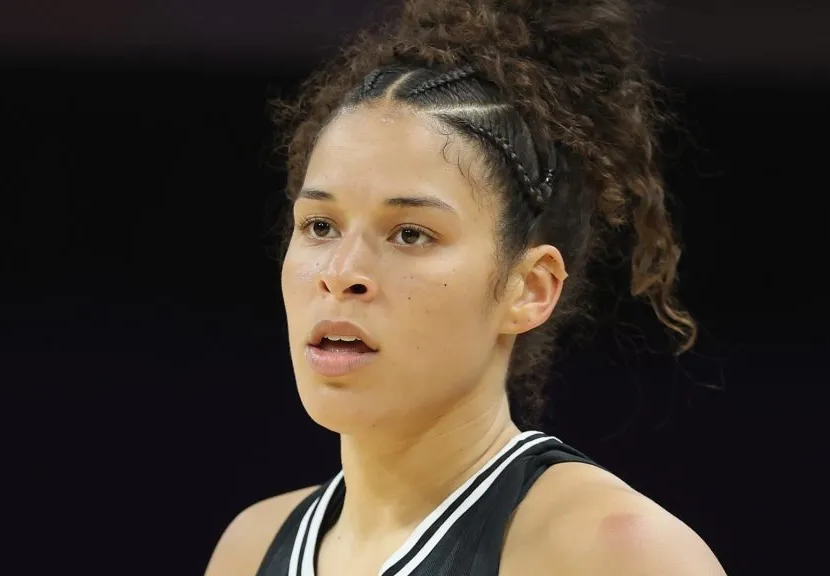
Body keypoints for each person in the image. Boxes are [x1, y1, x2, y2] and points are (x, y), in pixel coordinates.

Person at [206, 0, 726, 574]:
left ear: (528, 288)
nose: (341, 271)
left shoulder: (615, 552)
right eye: (320, 226)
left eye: (410, 233)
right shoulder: (248, 550)